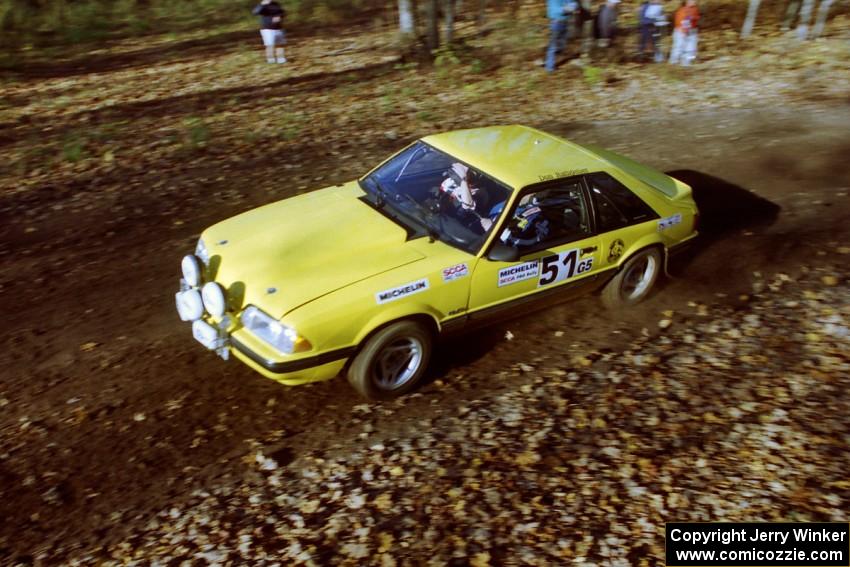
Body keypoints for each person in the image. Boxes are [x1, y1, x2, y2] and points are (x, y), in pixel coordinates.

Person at [439, 163, 495, 232]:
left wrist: (464, 181)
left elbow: (467, 204)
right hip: (442, 218)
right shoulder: (451, 182)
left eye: (472, 174)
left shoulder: (481, 192)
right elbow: (441, 192)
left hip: (460, 225)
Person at [545, 0, 579, 72]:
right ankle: (549, 67)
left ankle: (556, 60)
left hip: (565, 23)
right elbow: (553, 10)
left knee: (562, 44)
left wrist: (574, 6)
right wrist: (565, 9)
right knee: (553, 45)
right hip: (556, 23)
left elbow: (572, 3)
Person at [669, 0, 699, 66]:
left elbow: (696, 18)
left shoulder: (695, 9)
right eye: (692, 0)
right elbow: (680, 22)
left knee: (690, 48)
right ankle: (673, 62)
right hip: (681, 31)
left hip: (691, 31)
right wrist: (684, 31)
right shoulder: (682, 10)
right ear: (687, 1)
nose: (694, 1)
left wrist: (693, 18)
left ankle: (686, 64)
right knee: (678, 47)